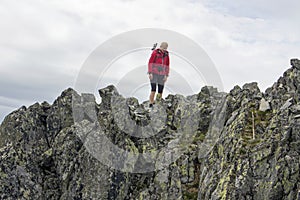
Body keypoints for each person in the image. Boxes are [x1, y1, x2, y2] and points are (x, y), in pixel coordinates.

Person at [147, 42, 170, 108]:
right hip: (154, 73)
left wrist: (166, 75)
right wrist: (150, 73)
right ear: (160, 47)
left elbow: (167, 65)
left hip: (162, 74)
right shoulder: (155, 53)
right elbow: (150, 62)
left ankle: (158, 102)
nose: (164, 50)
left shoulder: (166, 54)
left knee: (160, 90)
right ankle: (151, 103)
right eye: (163, 48)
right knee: (153, 89)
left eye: (165, 48)